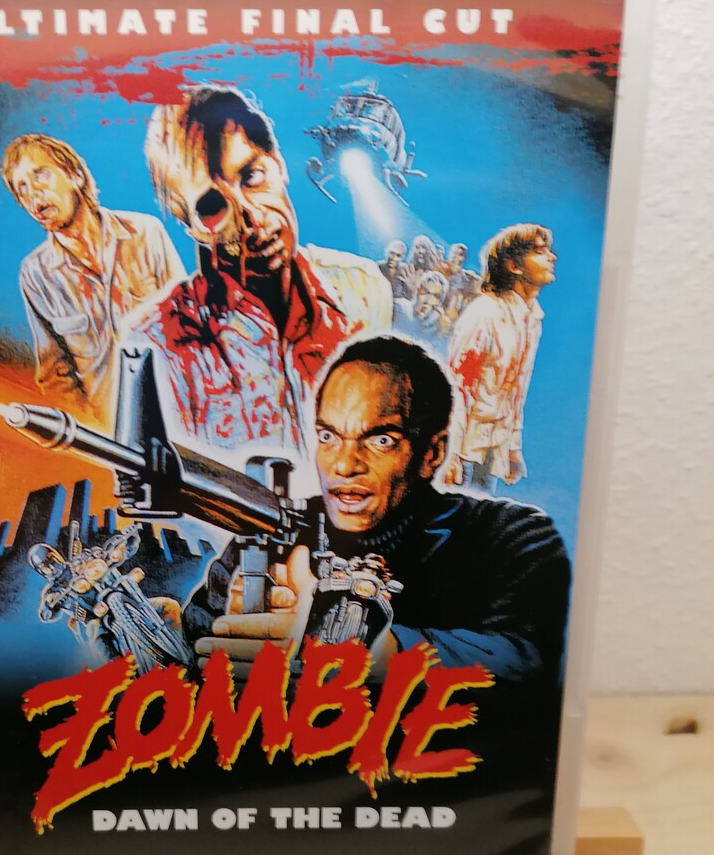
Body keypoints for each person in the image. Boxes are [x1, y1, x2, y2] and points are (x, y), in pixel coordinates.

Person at [184, 334, 570, 696]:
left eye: (380, 440)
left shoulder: (513, 536)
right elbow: (194, 639)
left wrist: (363, 652)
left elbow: (528, 659)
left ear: (432, 453)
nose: (344, 465)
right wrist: (227, 625)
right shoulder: (269, 533)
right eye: (328, 437)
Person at [140, 87, 392, 451]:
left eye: (252, 176)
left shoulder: (364, 293)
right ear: (192, 228)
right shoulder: (160, 346)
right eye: (212, 206)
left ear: (279, 164)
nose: (252, 218)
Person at [1, 133, 184, 428]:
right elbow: (55, 375)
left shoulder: (146, 234)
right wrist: (92, 435)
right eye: (21, 189)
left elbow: (190, 326)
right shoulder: (36, 275)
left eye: (40, 175)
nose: (33, 193)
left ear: (75, 175)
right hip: (110, 437)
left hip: (178, 425)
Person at [445, 224, 556, 493]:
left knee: (483, 512)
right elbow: (458, 385)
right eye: (540, 252)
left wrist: (512, 448)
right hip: (464, 448)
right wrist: (450, 453)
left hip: (492, 447)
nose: (552, 257)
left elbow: (517, 390)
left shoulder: (532, 319)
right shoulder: (485, 313)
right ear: (513, 266)